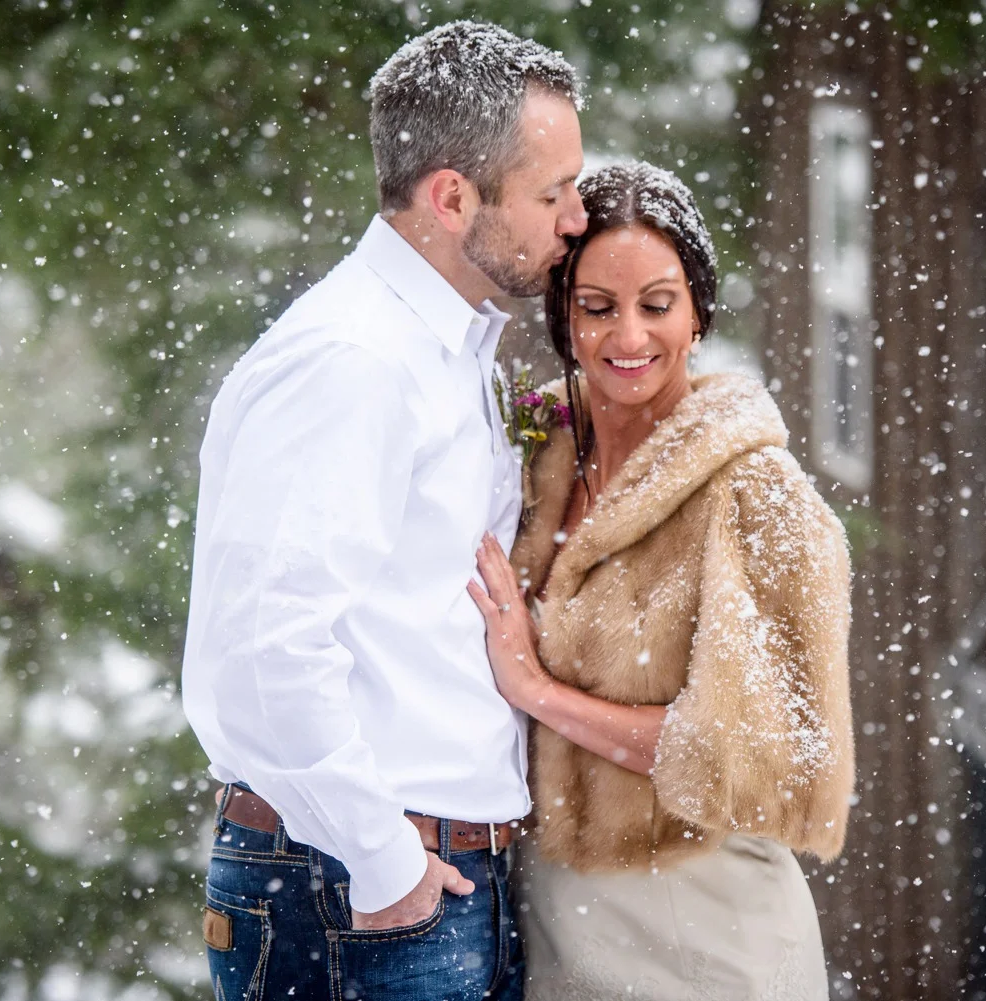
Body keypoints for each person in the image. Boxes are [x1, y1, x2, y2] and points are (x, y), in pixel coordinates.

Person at [180, 21, 586, 1001]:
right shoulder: (353, 361)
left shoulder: (442, 349)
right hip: (357, 894)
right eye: (551, 192)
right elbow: (264, 646)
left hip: (421, 884)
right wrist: (386, 863)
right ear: (451, 198)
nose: (575, 217)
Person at [467, 162, 855, 1001]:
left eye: (657, 303)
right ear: (564, 318)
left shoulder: (757, 496)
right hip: (556, 927)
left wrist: (537, 689)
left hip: (712, 934)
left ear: (700, 313)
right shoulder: (534, 461)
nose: (628, 337)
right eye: (599, 308)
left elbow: (768, 756)